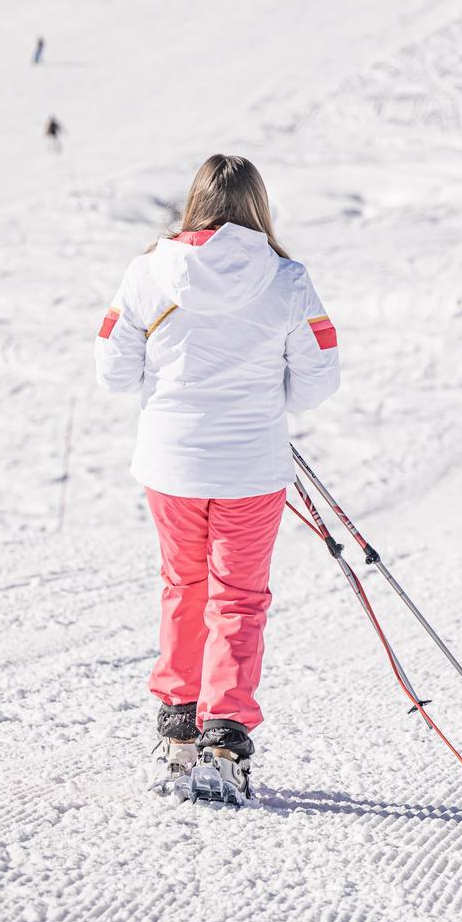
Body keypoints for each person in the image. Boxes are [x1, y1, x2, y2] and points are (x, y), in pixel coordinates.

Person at [95, 154, 339, 802]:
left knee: (185, 584)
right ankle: (224, 735)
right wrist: (267, 393)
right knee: (238, 596)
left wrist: (168, 385)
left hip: (170, 460)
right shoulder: (287, 280)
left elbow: (113, 369)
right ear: (259, 206)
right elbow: (319, 376)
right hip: (251, 464)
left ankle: (178, 725)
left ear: (194, 202)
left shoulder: (149, 271)